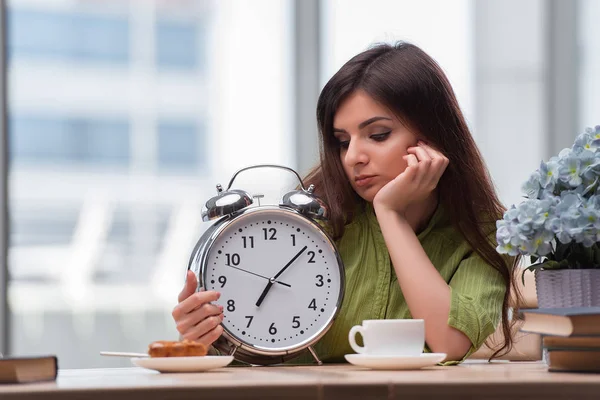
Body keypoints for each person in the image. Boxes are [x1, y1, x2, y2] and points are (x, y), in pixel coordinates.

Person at [172, 41, 519, 364]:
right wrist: (204, 338)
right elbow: (258, 342)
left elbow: (449, 342)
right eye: (341, 141)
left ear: (432, 136)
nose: (353, 157)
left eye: (378, 135)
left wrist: (390, 214)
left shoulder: (486, 231)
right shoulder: (311, 221)